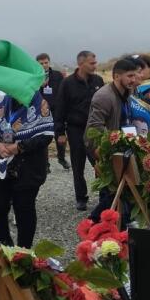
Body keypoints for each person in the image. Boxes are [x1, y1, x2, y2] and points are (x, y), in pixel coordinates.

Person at [0, 90, 53, 248]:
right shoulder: (3, 103)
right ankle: (4, 241)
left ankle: (23, 252)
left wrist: (19, 147)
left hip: (27, 166)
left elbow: (46, 135)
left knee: (24, 209)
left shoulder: (40, 105)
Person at [84, 57, 144, 220]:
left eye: (135, 75)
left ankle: (115, 227)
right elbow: (93, 129)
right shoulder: (104, 96)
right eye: (130, 76)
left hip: (122, 148)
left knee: (122, 191)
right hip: (104, 150)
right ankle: (93, 224)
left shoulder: (128, 92)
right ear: (117, 76)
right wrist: (101, 156)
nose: (134, 80)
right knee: (109, 191)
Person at [53, 51, 104, 211]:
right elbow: (60, 108)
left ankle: (104, 195)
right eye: (92, 63)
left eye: (95, 62)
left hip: (95, 129)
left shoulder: (98, 80)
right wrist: (60, 132)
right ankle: (81, 198)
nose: (95, 66)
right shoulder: (67, 83)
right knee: (78, 164)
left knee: (100, 162)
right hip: (76, 129)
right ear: (81, 64)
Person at [36, 53, 69, 171]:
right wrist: (40, 86)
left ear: (49, 62)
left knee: (60, 135)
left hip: (57, 111)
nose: (44, 65)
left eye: (46, 62)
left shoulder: (57, 75)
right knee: (44, 138)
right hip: (41, 112)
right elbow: (30, 92)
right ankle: (45, 164)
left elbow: (64, 91)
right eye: (41, 63)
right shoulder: (34, 77)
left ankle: (61, 158)